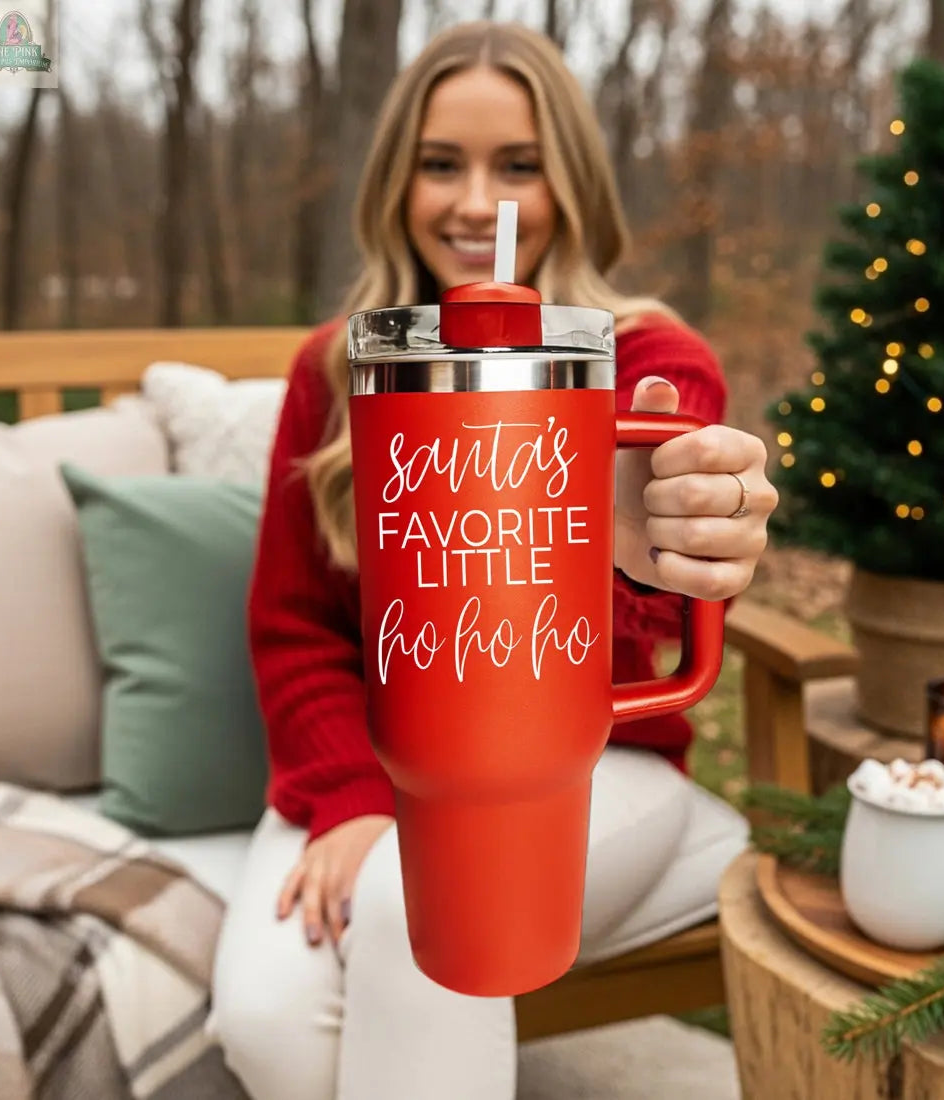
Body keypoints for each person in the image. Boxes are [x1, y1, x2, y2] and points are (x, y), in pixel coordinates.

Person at [210, 19, 778, 1100]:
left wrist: (629, 550)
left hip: (589, 761)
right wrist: (353, 796)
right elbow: (292, 625)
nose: (476, 201)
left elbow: (663, 602)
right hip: (381, 752)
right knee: (268, 1021)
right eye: (441, 164)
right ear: (395, 184)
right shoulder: (338, 369)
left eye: (515, 163)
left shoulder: (643, 363)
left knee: (397, 905)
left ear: (566, 181)